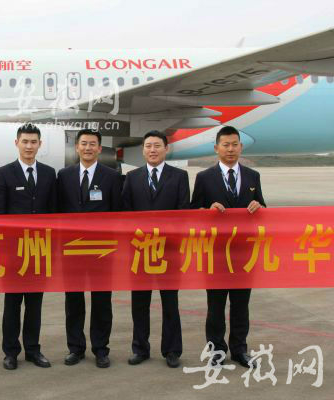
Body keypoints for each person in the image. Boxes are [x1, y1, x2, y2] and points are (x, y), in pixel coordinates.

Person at [191, 125, 266, 368]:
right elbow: (193, 211)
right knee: (215, 305)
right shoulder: (204, 177)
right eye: (226, 145)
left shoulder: (253, 176)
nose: (230, 149)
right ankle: (216, 350)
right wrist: (207, 210)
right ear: (217, 148)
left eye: (234, 145)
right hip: (215, 253)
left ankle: (239, 349)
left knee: (241, 304)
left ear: (241, 147)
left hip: (244, 253)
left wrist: (258, 206)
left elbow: (263, 208)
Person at [0, 123, 57, 370]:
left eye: (33, 142)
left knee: (35, 305)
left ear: (40, 144)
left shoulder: (49, 173)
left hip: (39, 250)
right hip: (14, 253)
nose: (29, 146)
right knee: (12, 304)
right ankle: (10, 352)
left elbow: (54, 213)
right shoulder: (4, 173)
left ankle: (33, 350)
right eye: (25, 141)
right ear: (16, 143)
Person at [121, 130, 190, 368]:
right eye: (148, 146)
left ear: (166, 149)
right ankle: (140, 348)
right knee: (140, 303)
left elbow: (183, 212)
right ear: (143, 150)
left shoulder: (179, 176)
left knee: (170, 303)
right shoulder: (132, 177)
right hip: (140, 252)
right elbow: (126, 213)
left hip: (169, 251)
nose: (153, 150)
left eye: (157, 146)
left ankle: (172, 350)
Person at [57, 128, 122, 368]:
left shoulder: (112, 176)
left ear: (99, 148)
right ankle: (75, 348)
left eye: (92, 144)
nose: (87, 148)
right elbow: (58, 211)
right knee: (73, 301)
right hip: (72, 249)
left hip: (101, 249)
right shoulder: (64, 175)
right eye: (83, 143)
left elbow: (118, 213)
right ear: (76, 147)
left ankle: (101, 349)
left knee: (102, 301)